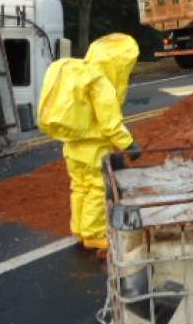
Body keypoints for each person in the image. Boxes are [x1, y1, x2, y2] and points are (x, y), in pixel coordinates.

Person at [38, 33, 141, 253]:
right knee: (96, 188)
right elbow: (110, 122)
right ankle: (94, 235)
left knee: (79, 187)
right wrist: (128, 144)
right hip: (94, 148)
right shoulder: (99, 80)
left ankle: (79, 229)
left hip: (71, 145)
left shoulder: (77, 73)